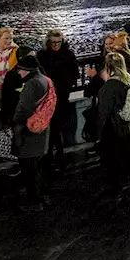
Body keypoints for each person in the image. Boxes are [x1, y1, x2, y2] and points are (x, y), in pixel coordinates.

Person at [10, 53, 51, 211]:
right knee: (38, 166)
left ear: (27, 70)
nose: (19, 73)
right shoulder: (44, 80)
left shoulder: (31, 84)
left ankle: (34, 201)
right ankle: (41, 196)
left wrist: (16, 122)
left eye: (20, 69)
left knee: (29, 167)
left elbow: (23, 109)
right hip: (42, 129)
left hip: (29, 132)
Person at [93, 52, 130, 183]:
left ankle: (116, 181)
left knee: (114, 155)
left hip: (113, 127)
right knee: (127, 150)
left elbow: (103, 113)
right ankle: (127, 174)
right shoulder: (129, 79)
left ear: (107, 66)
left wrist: (98, 136)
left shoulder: (109, 87)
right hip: (127, 123)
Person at [36, 29, 77, 169]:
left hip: (60, 96)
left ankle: (53, 156)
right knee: (53, 126)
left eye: (58, 42)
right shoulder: (42, 56)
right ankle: (56, 155)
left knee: (55, 126)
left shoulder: (66, 55)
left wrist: (65, 86)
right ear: (48, 42)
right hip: (48, 96)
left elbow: (75, 74)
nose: (56, 45)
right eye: (53, 42)